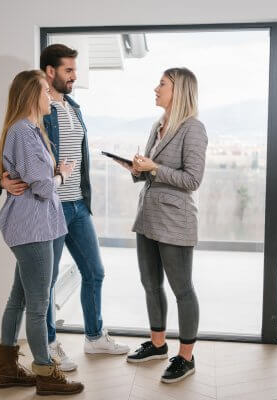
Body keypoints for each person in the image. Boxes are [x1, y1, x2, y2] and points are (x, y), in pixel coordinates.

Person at [0, 44, 129, 371]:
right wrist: (2, 180)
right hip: (46, 208)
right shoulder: (34, 114)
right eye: (68, 70)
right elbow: (2, 158)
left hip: (75, 205)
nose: (74, 76)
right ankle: (49, 347)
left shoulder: (73, 107)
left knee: (93, 271)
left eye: (75, 70)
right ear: (50, 72)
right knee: (43, 286)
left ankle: (94, 337)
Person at [0, 69, 84, 396]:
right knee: (38, 304)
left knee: (19, 298)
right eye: (47, 91)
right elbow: (43, 187)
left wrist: (49, 174)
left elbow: (20, 173)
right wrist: (60, 175)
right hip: (33, 228)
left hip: (31, 226)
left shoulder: (28, 130)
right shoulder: (23, 130)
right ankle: (46, 375)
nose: (51, 97)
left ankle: (6, 370)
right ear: (33, 95)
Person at [117, 68, 208, 383]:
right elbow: (150, 174)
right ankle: (157, 346)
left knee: (182, 289)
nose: (156, 88)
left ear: (178, 90)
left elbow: (192, 180)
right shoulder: (158, 125)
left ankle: (186, 357)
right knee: (150, 283)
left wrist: (154, 167)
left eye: (162, 84)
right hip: (148, 218)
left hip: (175, 220)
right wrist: (136, 168)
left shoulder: (193, 129)